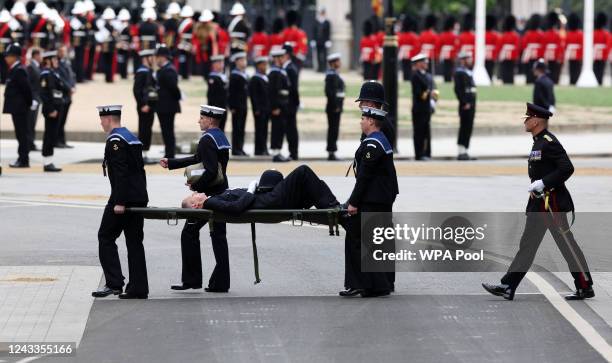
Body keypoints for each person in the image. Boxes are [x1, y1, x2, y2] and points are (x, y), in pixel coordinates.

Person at [482, 103, 594, 301]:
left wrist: (544, 182)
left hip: (552, 205)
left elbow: (567, 168)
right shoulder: (538, 141)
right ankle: (508, 286)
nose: (525, 121)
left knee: (567, 245)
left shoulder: (549, 142)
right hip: (539, 205)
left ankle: (584, 285)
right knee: (528, 245)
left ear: (536, 121)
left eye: (528, 118)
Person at [160, 105, 231, 293]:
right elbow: (198, 159)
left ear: (209, 120)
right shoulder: (220, 137)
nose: (198, 121)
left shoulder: (207, 140)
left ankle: (191, 280)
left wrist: (196, 187)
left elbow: (209, 171)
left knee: (189, 233)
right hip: (222, 192)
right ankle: (221, 282)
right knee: (218, 236)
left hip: (209, 197)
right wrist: (172, 163)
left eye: (201, 118)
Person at [341, 106, 398, 298]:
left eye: (363, 118)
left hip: (373, 199)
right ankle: (379, 285)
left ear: (372, 122)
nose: (361, 121)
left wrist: (353, 203)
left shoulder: (373, 144)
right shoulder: (380, 140)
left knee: (358, 239)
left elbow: (365, 177)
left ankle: (361, 284)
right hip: (380, 198)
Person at [92, 104, 149, 299]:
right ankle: (138, 288)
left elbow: (121, 172)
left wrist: (120, 202)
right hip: (139, 196)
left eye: (102, 119)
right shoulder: (131, 137)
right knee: (134, 242)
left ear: (108, 119)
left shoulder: (116, 140)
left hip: (123, 198)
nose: (101, 123)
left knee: (105, 237)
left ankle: (114, 283)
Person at [183, 165, 340, 214]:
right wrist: (251, 190)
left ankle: (333, 206)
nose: (195, 193)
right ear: (196, 205)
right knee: (303, 171)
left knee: (315, 184)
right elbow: (235, 207)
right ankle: (333, 207)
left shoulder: (213, 199)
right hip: (269, 200)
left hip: (268, 197)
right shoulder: (211, 203)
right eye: (193, 196)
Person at [2, 43, 33, 168]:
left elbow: (26, 90)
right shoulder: (15, 69)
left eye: (8, 56)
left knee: (22, 134)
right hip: (17, 107)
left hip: (20, 108)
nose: (5, 58)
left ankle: (23, 159)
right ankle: (22, 157)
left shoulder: (19, 70)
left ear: (15, 57)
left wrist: (28, 104)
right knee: (20, 133)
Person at [40, 50, 69, 172]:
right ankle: (47, 162)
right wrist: (51, 109)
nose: (57, 62)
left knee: (53, 134)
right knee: (49, 135)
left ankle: (50, 160)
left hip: (57, 107)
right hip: (51, 109)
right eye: (54, 60)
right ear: (48, 61)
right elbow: (45, 94)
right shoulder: (46, 74)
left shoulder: (53, 73)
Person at [155, 45, 181, 159]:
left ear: (163, 57)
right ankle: (168, 151)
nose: (156, 59)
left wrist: (178, 96)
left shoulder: (169, 70)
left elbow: (173, 88)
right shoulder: (164, 69)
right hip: (163, 106)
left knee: (168, 131)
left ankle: (170, 153)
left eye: (158, 57)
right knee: (165, 131)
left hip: (168, 106)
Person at [133, 49, 158, 164]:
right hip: (144, 106)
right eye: (151, 57)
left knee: (147, 129)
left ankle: (145, 152)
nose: (153, 59)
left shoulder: (148, 70)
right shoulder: (142, 71)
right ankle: (142, 154)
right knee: (144, 129)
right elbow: (137, 90)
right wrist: (143, 104)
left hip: (149, 106)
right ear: (145, 58)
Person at [410, 53, 437, 161]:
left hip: (427, 107)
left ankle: (427, 152)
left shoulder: (428, 75)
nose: (426, 64)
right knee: (419, 132)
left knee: (426, 131)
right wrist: (428, 94)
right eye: (424, 62)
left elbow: (434, 89)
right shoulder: (415, 76)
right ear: (418, 64)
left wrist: (434, 99)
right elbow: (418, 93)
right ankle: (419, 153)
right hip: (419, 108)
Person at [268, 48, 290, 162]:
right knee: (277, 129)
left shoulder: (280, 71)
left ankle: (278, 150)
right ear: (276, 59)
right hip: (278, 106)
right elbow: (272, 91)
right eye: (280, 57)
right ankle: (275, 152)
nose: (283, 59)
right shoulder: (274, 73)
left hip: (283, 104)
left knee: (281, 128)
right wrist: (274, 107)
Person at [453, 51, 476, 161]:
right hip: (465, 105)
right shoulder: (459, 72)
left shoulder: (468, 72)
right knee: (464, 128)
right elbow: (458, 90)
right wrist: (464, 102)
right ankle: (461, 151)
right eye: (468, 58)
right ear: (462, 60)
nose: (470, 60)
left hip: (471, 104)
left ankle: (465, 150)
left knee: (468, 127)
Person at [324, 53, 344, 161]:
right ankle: (331, 152)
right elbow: (329, 92)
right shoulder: (331, 75)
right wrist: (335, 105)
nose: (340, 63)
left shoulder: (335, 74)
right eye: (338, 61)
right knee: (333, 129)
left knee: (334, 129)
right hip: (333, 107)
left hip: (337, 106)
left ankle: (332, 151)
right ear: (333, 63)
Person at [228, 51, 249, 156]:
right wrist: (232, 106)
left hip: (244, 105)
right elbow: (231, 92)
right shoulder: (234, 75)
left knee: (242, 128)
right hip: (236, 106)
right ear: (236, 62)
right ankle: (236, 149)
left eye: (244, 60)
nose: (244, 62)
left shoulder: (244, 74)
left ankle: (241, 147)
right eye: (241, 60)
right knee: (237, 127)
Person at [56, 45, 76, 149]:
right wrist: (69, 88)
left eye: (64, 51)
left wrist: (73, 86)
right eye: (61, 51)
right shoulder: (57, 63)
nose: (63, 53)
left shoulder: (66, 62)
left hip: (68, 95)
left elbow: (72, 75)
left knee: (63, 120)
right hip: (63, 95)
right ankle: (57, 141)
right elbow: (61, 79)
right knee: (59, 120)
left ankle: (62, 141)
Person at [249, 56, 270, 156]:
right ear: (258, 66)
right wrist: (256, 108)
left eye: (266, 64)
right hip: (259, 109)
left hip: (266, 108)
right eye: (263, 65)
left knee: (265, 130)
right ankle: (259, 150)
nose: (265, 67)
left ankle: (264, 148)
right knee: (259, 130)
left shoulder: (265, 77)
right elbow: (254, 95)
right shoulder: (255, 78)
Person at [282, 43, 300, 160]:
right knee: (290, 128)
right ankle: (292, 152)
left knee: (291, 129)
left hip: (290, 104)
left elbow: (293, 88)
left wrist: (295, 103)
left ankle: (293, 153)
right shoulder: (289, 67)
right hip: (290, 103)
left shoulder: (290, 69)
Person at [26, 48, 42, 152]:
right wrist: (32, 99)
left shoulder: (36, 66)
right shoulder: (31, 67)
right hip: (33, 100)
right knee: (30, 123)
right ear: (36, 55)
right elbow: (29, 85)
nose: (42, 57)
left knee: (33, 123)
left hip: (37, 99)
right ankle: (29, 143)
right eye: (40, 55)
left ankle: (31, 142)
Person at [207, 54, 228, 130]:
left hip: (223, 107)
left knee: (222, 129)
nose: (221, 65)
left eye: (222, 62)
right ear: (214, 65)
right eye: (219, 63)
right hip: (215, 108)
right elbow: (211, 95)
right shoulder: (212, 77)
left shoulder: (223, 76)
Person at [542, 12, 563, 84]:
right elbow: (560, 47)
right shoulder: (557, 34)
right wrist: (559, 57)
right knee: (555, 71)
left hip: (547, 54)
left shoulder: (545, 34)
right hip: (555, 54)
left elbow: (543, 46)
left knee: (548, 70)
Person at [520, 15, 543, 84]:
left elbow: (523, 45)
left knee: (529, 70)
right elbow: (542, 46)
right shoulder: (540, 34)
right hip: (537, 54)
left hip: (528, 54)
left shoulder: (527, 34)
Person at [497, 15, 519, 84]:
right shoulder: (515, 36)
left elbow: (499, 47)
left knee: (505, 71)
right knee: (511, 71)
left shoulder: (502, 36)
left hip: (504, 55)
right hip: (512, 55)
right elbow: (517, 47)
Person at [398, 15, 420, 82]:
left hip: (404, 54)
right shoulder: (414, 36)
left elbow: (399, 45)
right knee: (410, 71)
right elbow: (417, 48)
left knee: (405, 70)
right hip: (412, 55)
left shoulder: (401, 36)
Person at [438, 16, 457, 83]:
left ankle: (446, 79)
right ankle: (448, 79)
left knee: (446, 67)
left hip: (444, 53)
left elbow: (439, 45)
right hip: (451, 53)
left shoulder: (442, 35)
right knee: (450, 68)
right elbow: (456, 46)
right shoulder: (453, 36)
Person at [177, 5, 194, 80]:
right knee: (183, 58)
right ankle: (183, 73)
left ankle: (185, 74)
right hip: (184, 42)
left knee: (186, 59)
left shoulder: (189, 23)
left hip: (187, 42)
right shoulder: (185, 22)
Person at [565, 13, 583, 86]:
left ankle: (572, 81)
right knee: (577, 68)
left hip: (570, 52)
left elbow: (566, 45)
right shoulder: (580, 34)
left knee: (571, 68)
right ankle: (575, 81)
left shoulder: (568, 34)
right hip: (578, 53)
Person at [312, 6, 331, 73]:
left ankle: (324, 67)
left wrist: (328, 40)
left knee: (325, 55)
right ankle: (319, 68)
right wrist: (313, 40)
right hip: (317, 41)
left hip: (324, 41)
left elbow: (328, 32)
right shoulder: (316, 21)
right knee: (318, 55)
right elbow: (314, 31)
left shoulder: (327, 22)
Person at [593, 13, 609, 85]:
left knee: (596, 68)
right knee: (601, 69)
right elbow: (607, 45)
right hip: (602, 53)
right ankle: (599, 82)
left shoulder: (594, 33)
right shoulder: (606, 33)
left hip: (595, 52)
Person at [484, 15, 499, 80]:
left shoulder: (482, 34)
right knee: (490, 70)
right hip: (491, 54)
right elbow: (497, 46)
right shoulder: (495, 35)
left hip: (483, 54)